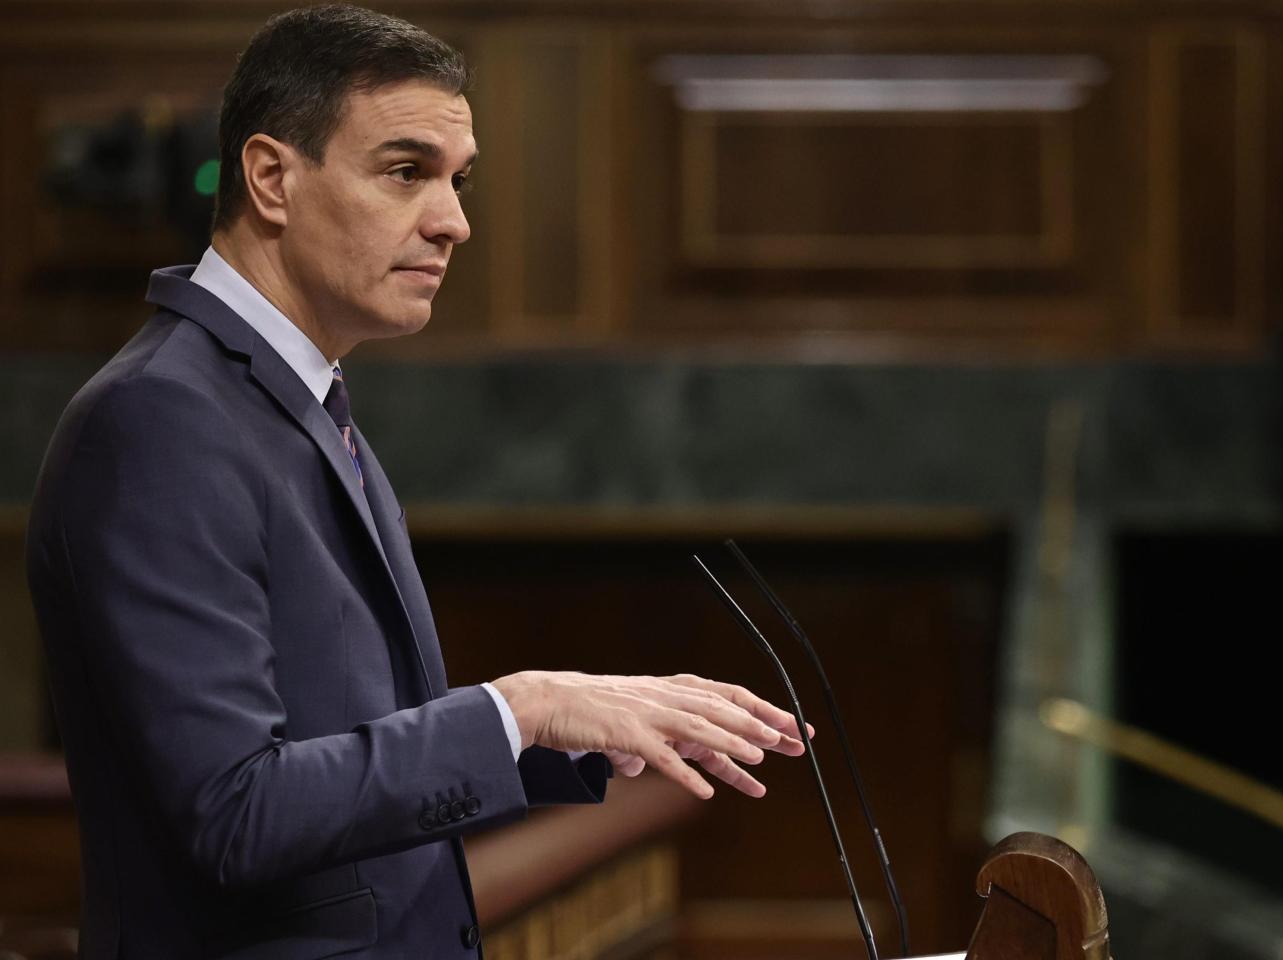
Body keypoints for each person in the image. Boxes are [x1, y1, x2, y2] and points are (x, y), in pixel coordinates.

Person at [25, 7, 809, 957]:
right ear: (272, 177)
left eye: (458, 180)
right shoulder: (157, 421)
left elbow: (349, 734)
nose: (455, 221)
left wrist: (568, 730)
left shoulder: (294, 398)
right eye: (406, 172)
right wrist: (516, 710)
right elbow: (235, 811)